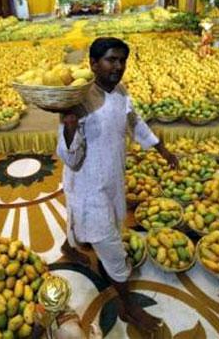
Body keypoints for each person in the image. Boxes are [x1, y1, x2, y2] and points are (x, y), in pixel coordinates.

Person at [57, 37, 178, 336]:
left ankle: (69, 246)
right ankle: (126, 304)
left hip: (110, 179)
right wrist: (70, 127)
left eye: (122, 60)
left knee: (96, 221)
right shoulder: (79, 100)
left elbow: (135, 122)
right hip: (88, 187)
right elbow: (69, 158)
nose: (118, 66)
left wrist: (162, 149)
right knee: (111, 248)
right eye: (111, 60)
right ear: (93, 64)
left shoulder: (121, 92)